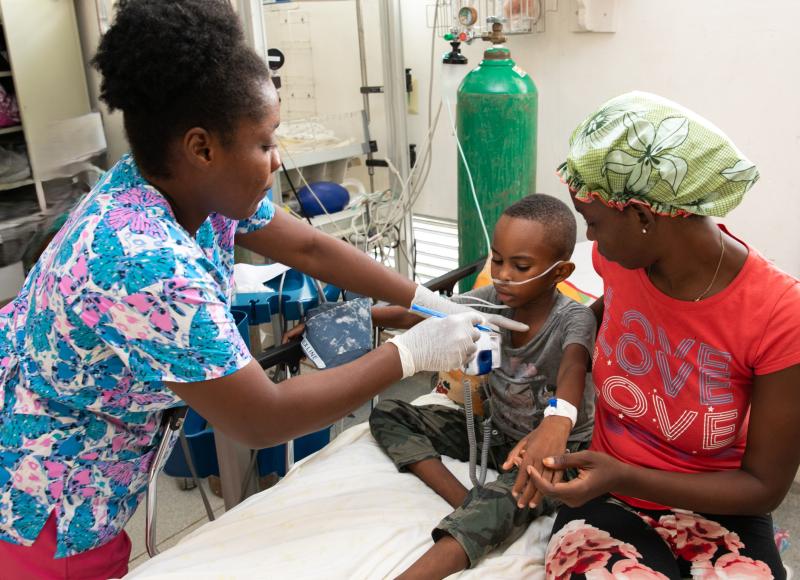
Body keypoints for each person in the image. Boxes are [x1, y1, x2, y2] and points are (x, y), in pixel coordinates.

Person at [0, 2, 525, 578]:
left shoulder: (185, 188)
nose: (277, 160)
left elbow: (310, 248)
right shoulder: (141, 259)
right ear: (202, 148)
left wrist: (431, 301)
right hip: (40, 497)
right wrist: (413, 352)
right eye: (266, 142)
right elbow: (260, 418)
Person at [508, 92, 800, 579]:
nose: (592, 241)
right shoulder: (622, 263)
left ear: (644, 216)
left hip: (720, 507)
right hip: (608, 499)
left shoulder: (778, 312)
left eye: (593, 223)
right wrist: (560, 414)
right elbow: (586, 322)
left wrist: (626, 473)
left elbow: (764, 486)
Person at [368, 194, 597, 579]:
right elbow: (421, 312)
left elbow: (574, 370)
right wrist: (351, 319)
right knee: (389, 412)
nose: (503, 275)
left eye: (521, 266)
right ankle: (463, 499)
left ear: (560, 272)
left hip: (558, 452)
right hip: (499, 436)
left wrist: (556, 423)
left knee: (502, 504)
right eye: (497, 259)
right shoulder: (491, 302)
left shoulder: (573, 320)